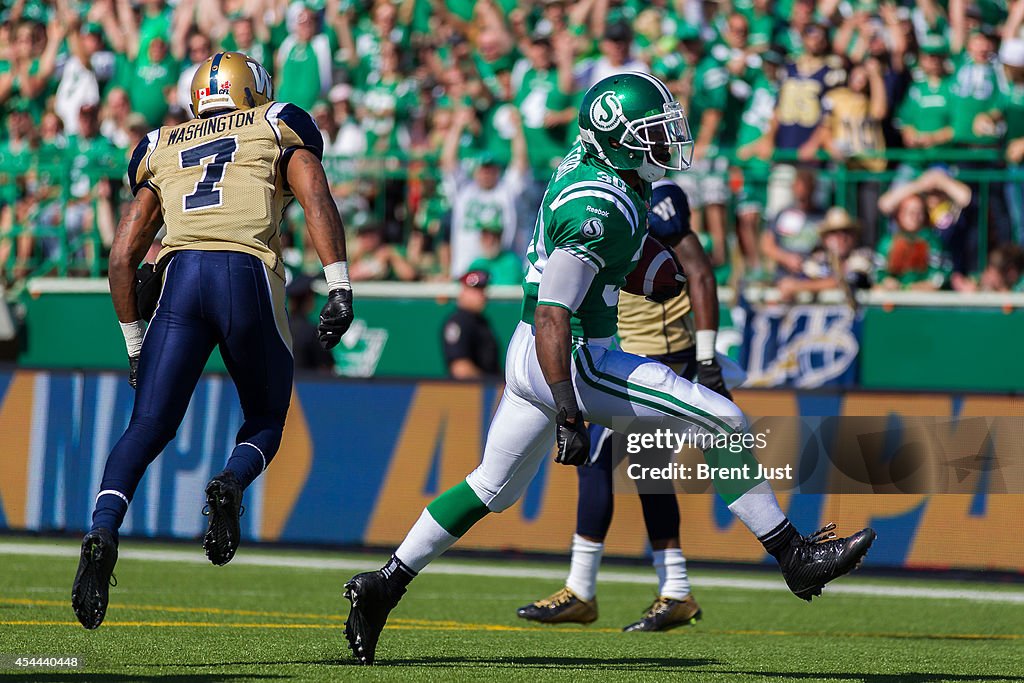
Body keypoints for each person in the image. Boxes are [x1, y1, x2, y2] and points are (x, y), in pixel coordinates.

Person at [341, 72, 875, 666]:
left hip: (536, 354)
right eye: (651, 133)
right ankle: (793, 557)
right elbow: (554, 313)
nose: (665, 143)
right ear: (615, 137)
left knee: (489, 487)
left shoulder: (606, 174)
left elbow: (604, 259)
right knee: (723, 419)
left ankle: (384, 583)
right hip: (570, 356)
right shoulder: (596, 205)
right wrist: (571, 414)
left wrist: (645, 266)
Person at [71, 52, 354, 630]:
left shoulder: (163, 143)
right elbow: (316, 194)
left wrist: (133, 341)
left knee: (146, 425)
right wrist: (339, 285)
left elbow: (122, 256)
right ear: (253, 89)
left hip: (179, 281)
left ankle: (101, 531)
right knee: (266, 417)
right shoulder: (276, 122)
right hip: (246, 274)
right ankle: (228, 482)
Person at [516, 180, 732, 632]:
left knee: (602, 462)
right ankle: (670, 590)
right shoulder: (597, 197)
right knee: (643, 470)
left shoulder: (655, 198)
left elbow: (699, 271)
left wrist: (708, 357)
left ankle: (590, 589)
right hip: (622, 352)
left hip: (655, 353)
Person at [775, 207, 875, 301]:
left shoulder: (864, 257)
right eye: (834, 232)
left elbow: (846, 282)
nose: (841, 237)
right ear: (824, 239)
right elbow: (803, 278)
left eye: (846, 231)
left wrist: (798, 287)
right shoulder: (818, 261)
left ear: (854, 236)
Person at [442, 270, 500, 379]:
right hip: (469, 392)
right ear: (463, 292)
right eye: (475, 291)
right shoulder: (458, 322)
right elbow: (460, 369)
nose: (482, 296)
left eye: (483, 290)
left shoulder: (481, 322)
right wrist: (492, 384)